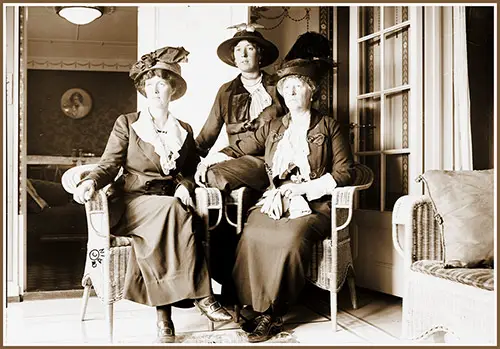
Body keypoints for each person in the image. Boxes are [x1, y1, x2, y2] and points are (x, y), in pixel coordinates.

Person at [195, 32, 354, 343]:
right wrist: (208, 163)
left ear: (312, 91)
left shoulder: (328, 126)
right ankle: (250, 305)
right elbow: (242, 150)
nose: (292, 92)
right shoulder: (275, 127)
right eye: (287, 88)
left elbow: (347, 171)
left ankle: (275, 311)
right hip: (276, 199)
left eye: (298, 87)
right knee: (250, 234)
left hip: (314, 203)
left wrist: (306, 189)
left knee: (290, 241)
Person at [72, 46, 232, 344]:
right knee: (173, 212)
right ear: (144, 90)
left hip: (168, 207)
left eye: (162, 83)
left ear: (173, 89)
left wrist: (185, 185)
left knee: (173, 213)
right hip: (132, 204)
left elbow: (189, 170)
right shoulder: (128, 123)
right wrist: (91, 182)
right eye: (150, 84)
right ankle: (204, 297)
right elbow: (109, 164)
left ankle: (164, 317)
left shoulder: (183, 129)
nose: (156, 89)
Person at [195, 23, 284, 193]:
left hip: (273, 159)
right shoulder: (226, 92)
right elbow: (207, 136)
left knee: (217, 174)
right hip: (237, 160)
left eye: (249, 48)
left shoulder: (279, 87)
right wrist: (189, 162)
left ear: (260, 55)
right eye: (238, 50)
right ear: (234, 58)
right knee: (209, 176)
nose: (243, 54)